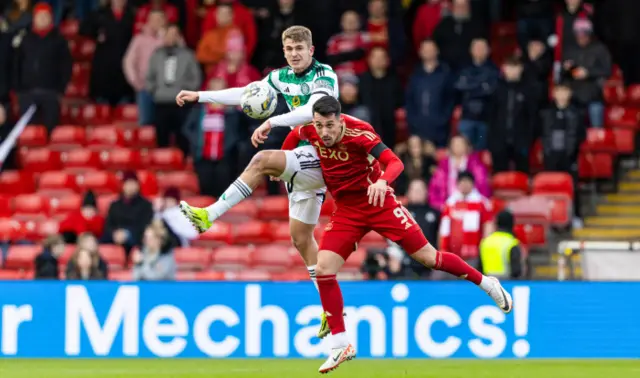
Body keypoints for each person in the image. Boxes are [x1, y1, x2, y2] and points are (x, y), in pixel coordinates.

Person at [285, 97, 512, 372]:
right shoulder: (310, 129)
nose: (324, 132)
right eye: (320, 126)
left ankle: (487, 284)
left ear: (340, 120)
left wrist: (382, 181)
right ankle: (340, 344)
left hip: (379, 203)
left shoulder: (361, 133)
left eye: (329, 126)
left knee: (430, 257)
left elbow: (394, 163)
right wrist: (289, 171)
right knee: (323, 270)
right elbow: (294, 136)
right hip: (347, 210)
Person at [175, 25, 338, 339]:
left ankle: (209, 214)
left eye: (299, 49)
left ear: (311, 50)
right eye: (289, 49)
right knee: (301, 238)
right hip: (306, 156)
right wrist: (201, 95)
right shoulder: (280, 78)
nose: (293, 54)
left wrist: (272, 120)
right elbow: (247, 93)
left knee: (262, 160)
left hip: (327, 153)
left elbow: (312, 111)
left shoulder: (324, 76)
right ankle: (331, 307)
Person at [147, 24, 201, 152]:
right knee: (161, 138)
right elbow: (149, 76)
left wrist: (185, 90)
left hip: (181, 103)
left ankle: (182, 165)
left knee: (182, 137)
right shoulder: (156, 55)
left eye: (174, 35)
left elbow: (196, 78)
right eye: (168, 34)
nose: (171, 38)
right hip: (161, 102)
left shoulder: (188, 55)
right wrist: (155, 90)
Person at [489, 56, 537, 173]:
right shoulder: (497, 88)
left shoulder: (529, 89)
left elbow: (533, 116)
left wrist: (529, 139)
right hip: (499, 140)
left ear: (521, 69)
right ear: (504, 69)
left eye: (515, 67)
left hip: (521, 140)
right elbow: (491, 115)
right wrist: (492, 139)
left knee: (522, 173)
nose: (512, 71)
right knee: (499, 174)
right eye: (509, 67)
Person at [479, 210, 523, 279]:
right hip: (507, 285)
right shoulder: (512, 243)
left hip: (487, 284)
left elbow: (479, 268)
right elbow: (516, 271)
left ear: (497, 223)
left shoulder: (485, 242)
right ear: (512, 224)